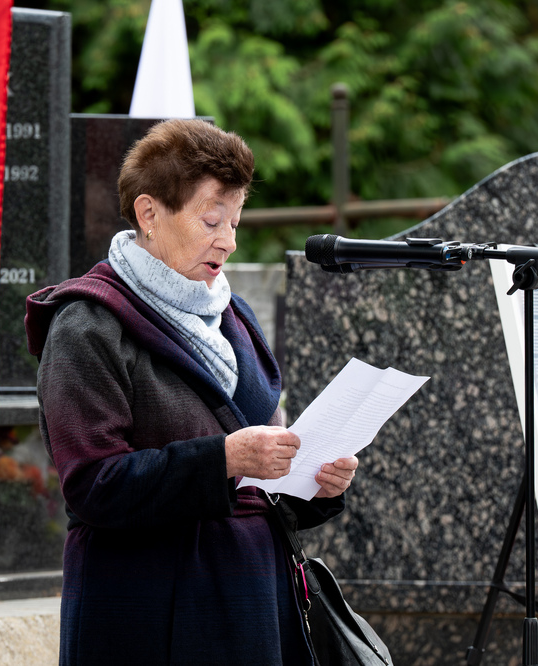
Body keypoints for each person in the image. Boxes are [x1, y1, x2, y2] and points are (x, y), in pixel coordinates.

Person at [24, 119, 359, 665]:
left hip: (253, 603)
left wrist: (313, 484)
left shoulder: (232, 314)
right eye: (211, 220)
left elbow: (254, 484)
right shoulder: (86, 324)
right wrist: (223, 459)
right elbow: (91, 484)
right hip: (148, 612)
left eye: (236, 220)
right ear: (149, 213)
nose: (228, 239)